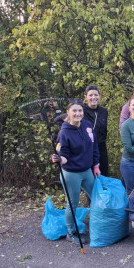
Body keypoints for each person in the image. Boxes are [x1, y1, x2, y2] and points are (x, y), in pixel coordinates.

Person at [52, 102, 100, 243]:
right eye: (74, 111)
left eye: (80, 110)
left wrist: (96, 165)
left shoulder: (87, 125)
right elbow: (64, 156)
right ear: (68, 112)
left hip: (87, 171)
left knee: (96, 198)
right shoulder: (64, 133)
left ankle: (98, 225)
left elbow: (94, 145)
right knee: (73, 203)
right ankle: (71, 232)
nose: (78, 113)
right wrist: (59, 159)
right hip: (71, 173)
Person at [54, 85, 109, 176]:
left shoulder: (104, 111)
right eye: (90, 95)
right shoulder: (80, 110)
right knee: (88, 176)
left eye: (96, 95)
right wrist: (73, 132)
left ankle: (100, 190)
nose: (93, 97)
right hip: (86, 148)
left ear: (99, 96)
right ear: (86, 97)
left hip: (100, 148)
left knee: (103, 174)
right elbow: (58, 120)